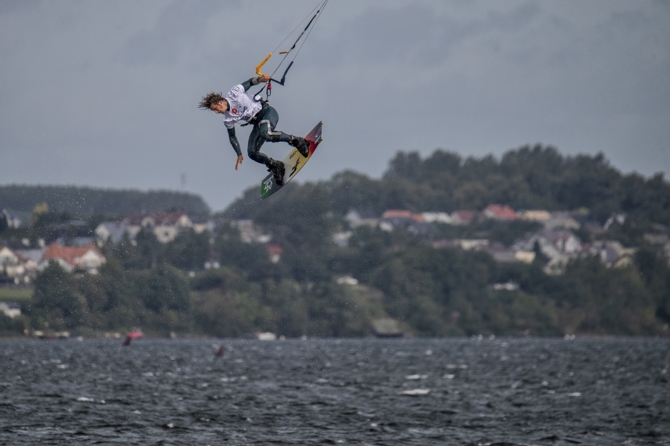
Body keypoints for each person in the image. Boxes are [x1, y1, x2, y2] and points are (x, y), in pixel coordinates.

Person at [199, 74, 309, 185]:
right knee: (252, 153)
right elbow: (232, 137)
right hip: (258, 124)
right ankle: (275, 165)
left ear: (221, 102)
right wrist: (239, 154)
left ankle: (297, 140)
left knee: (266, 133)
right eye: (214, 111)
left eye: (216, 109)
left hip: (267, 112)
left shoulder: (234, 93)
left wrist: (261, 79)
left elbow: (250, 82)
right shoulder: (227, 119)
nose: (216, 112)